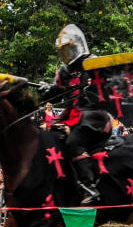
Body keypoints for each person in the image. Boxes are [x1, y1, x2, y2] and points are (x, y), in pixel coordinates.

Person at [41, 24, 113, 205]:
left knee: (74, 142)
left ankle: (90, 186)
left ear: (77, 46)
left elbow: (110, 84)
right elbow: (56, 91)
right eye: (63, 51)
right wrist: (45, 90)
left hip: (94, 117)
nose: (66, 54)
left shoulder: (94, 63)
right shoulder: (65, 71)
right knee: (51, 139)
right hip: (73, 117)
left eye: (68, 49)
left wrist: (95, 86)